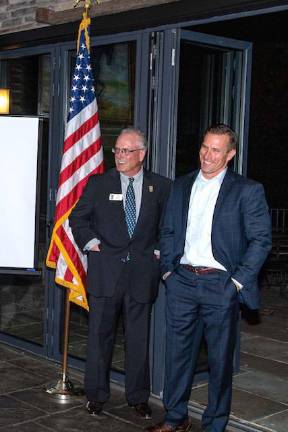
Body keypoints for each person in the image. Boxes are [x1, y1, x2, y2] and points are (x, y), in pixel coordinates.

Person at [146, 124, 272, 432]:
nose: (207, 155)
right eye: (205, 147)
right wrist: (168, 272)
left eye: (216, 150)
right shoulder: (181, 185)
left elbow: (261, 240)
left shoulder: (247, 190)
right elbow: (169, 230)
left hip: (221, 286)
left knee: (219, 361)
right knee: (176, 356)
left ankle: (215, 425)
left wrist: (236, 283)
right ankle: (175, 418)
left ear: (230, 154)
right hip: (182, 282)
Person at [69, 127, 171, 419]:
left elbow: (169, 225)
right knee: (100, 336)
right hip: (106, 273)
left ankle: (138, 397)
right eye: (117, 150)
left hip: (141, 274)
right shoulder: (99, 183)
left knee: (138, 339)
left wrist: (159, 251)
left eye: (126, 151)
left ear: (142, 154)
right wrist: (91, 243)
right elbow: (79, 218)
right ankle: (96, 396)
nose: (120, 155)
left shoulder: (161, 186)